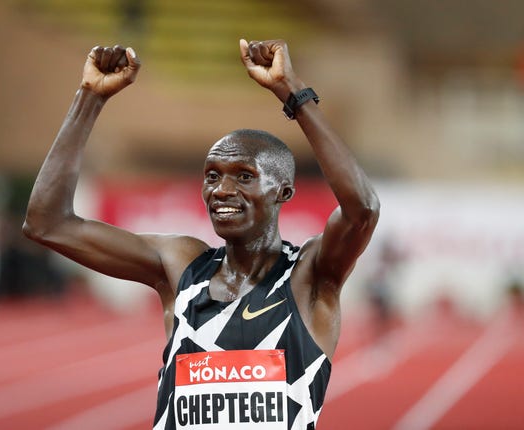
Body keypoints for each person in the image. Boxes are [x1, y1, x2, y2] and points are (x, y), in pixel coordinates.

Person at [24, 39, 380, 430]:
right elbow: (48, 224)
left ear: (283, 192)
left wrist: (291, 90)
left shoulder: (310, 276)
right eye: (212, 176)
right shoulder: (180, 266)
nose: (222, 190)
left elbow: (362, 210)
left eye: (244, 176)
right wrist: (89, 97)